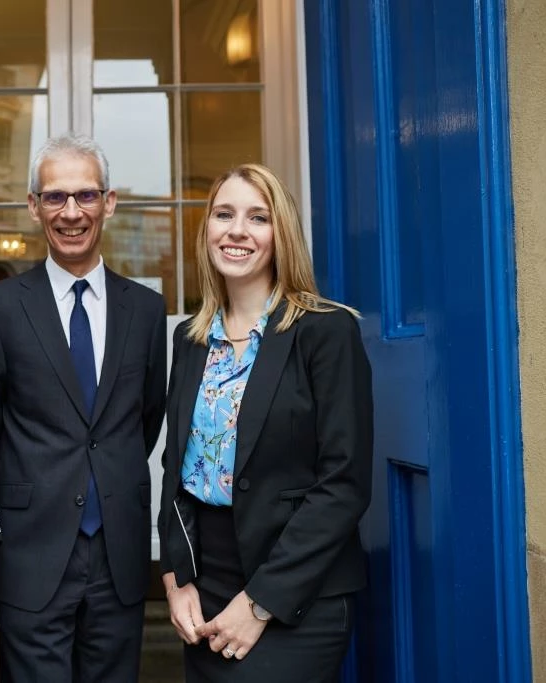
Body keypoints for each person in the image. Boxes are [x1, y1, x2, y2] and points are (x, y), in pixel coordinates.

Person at [0, 133, 167, 682]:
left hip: (118, 552)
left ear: (110, 201)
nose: (71, 212)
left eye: (86, 195)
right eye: (55, 197)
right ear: (33, 206)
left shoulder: (147, 310)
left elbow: (144, 419)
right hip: (31, 551)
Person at [158, 164, 373, 682]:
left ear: (282, 235)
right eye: (224, 214)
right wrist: (175, 577)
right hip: (205, 589)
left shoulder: (326, 332)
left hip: (297, 592)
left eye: (258, 218)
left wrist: (259, 603)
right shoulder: (191, 338)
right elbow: (177, 472)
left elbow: (343, 484)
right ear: (206, 228)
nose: (237, 230)